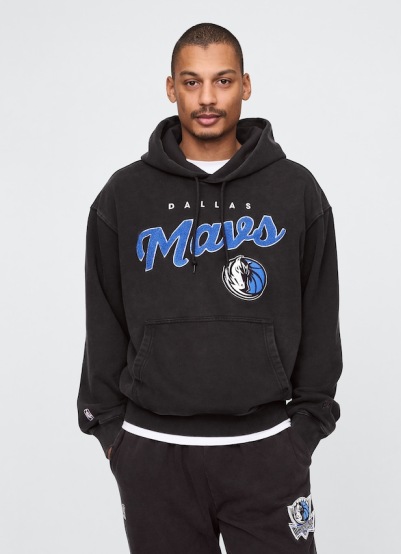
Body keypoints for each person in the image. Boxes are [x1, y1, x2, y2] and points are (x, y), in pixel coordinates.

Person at [77, 22, 343, 554]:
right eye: (191, 82)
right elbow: (103, 315)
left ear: (245, 85)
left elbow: (319, 308)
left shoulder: (295, 189)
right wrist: (110, 432)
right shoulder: (125, 194)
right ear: (171, 88)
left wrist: (307, 425)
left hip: (267, 449)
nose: (207, 99)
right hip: (154, 452)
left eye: (222, 81)